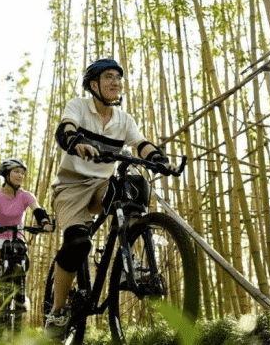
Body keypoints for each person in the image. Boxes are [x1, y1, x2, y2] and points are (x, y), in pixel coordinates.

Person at [44, 58, 177, 338]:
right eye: (108, 77)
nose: (116, 82)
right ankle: (57, 312)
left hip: (103, 184)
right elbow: (66, 127)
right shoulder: (79, 106)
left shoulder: (124, 119)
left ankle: (131, 263)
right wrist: (76, 142)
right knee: (78, 243)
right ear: (94, 84)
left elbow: (140, 144)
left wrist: (159, 159)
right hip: (72, 186)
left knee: (135, 184)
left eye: (118, 77)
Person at [0, 157, 53, 319]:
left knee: (19, 269)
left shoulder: (26, 196)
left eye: (22, 173)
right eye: (16, 171)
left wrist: (44, 222)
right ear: (6, 174)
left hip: (17, 238)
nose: (20, 175)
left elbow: (37, 210)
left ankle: (19, 302)